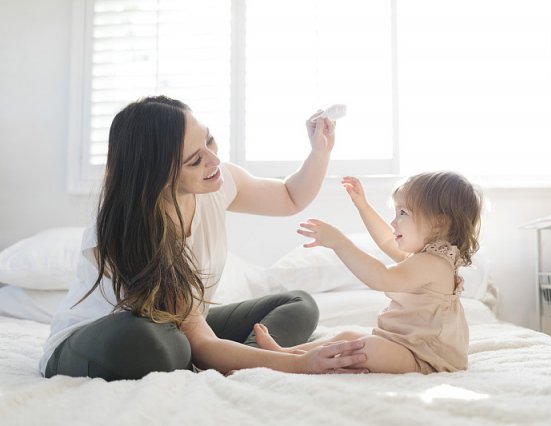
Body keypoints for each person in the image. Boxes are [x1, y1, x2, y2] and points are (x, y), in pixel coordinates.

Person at [39, 95, 368, 381]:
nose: (213, 160)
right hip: (107, 338)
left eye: (209, 141)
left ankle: (245, 363)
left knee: (297, 303)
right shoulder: (126, 230)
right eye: (195, 160)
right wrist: (299, 365)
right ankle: (244, 361)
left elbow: (288, 197)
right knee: (157, 341)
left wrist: (319, 151)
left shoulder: (217, 182)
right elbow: (199, 341)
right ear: (156, 175)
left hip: (184, 328)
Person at [253, 172, 482, 374]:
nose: (393, 222)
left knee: (364, 347)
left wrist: (340, 243)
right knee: (348, 337)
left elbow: (382, 277)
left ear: (439, 223)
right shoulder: (423, 258)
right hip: (405, 344)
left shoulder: (433, 263)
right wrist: (363, 206)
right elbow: (385, 240)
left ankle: (290, 361)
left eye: (403, 213)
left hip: (426, 356)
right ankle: (286, 354)